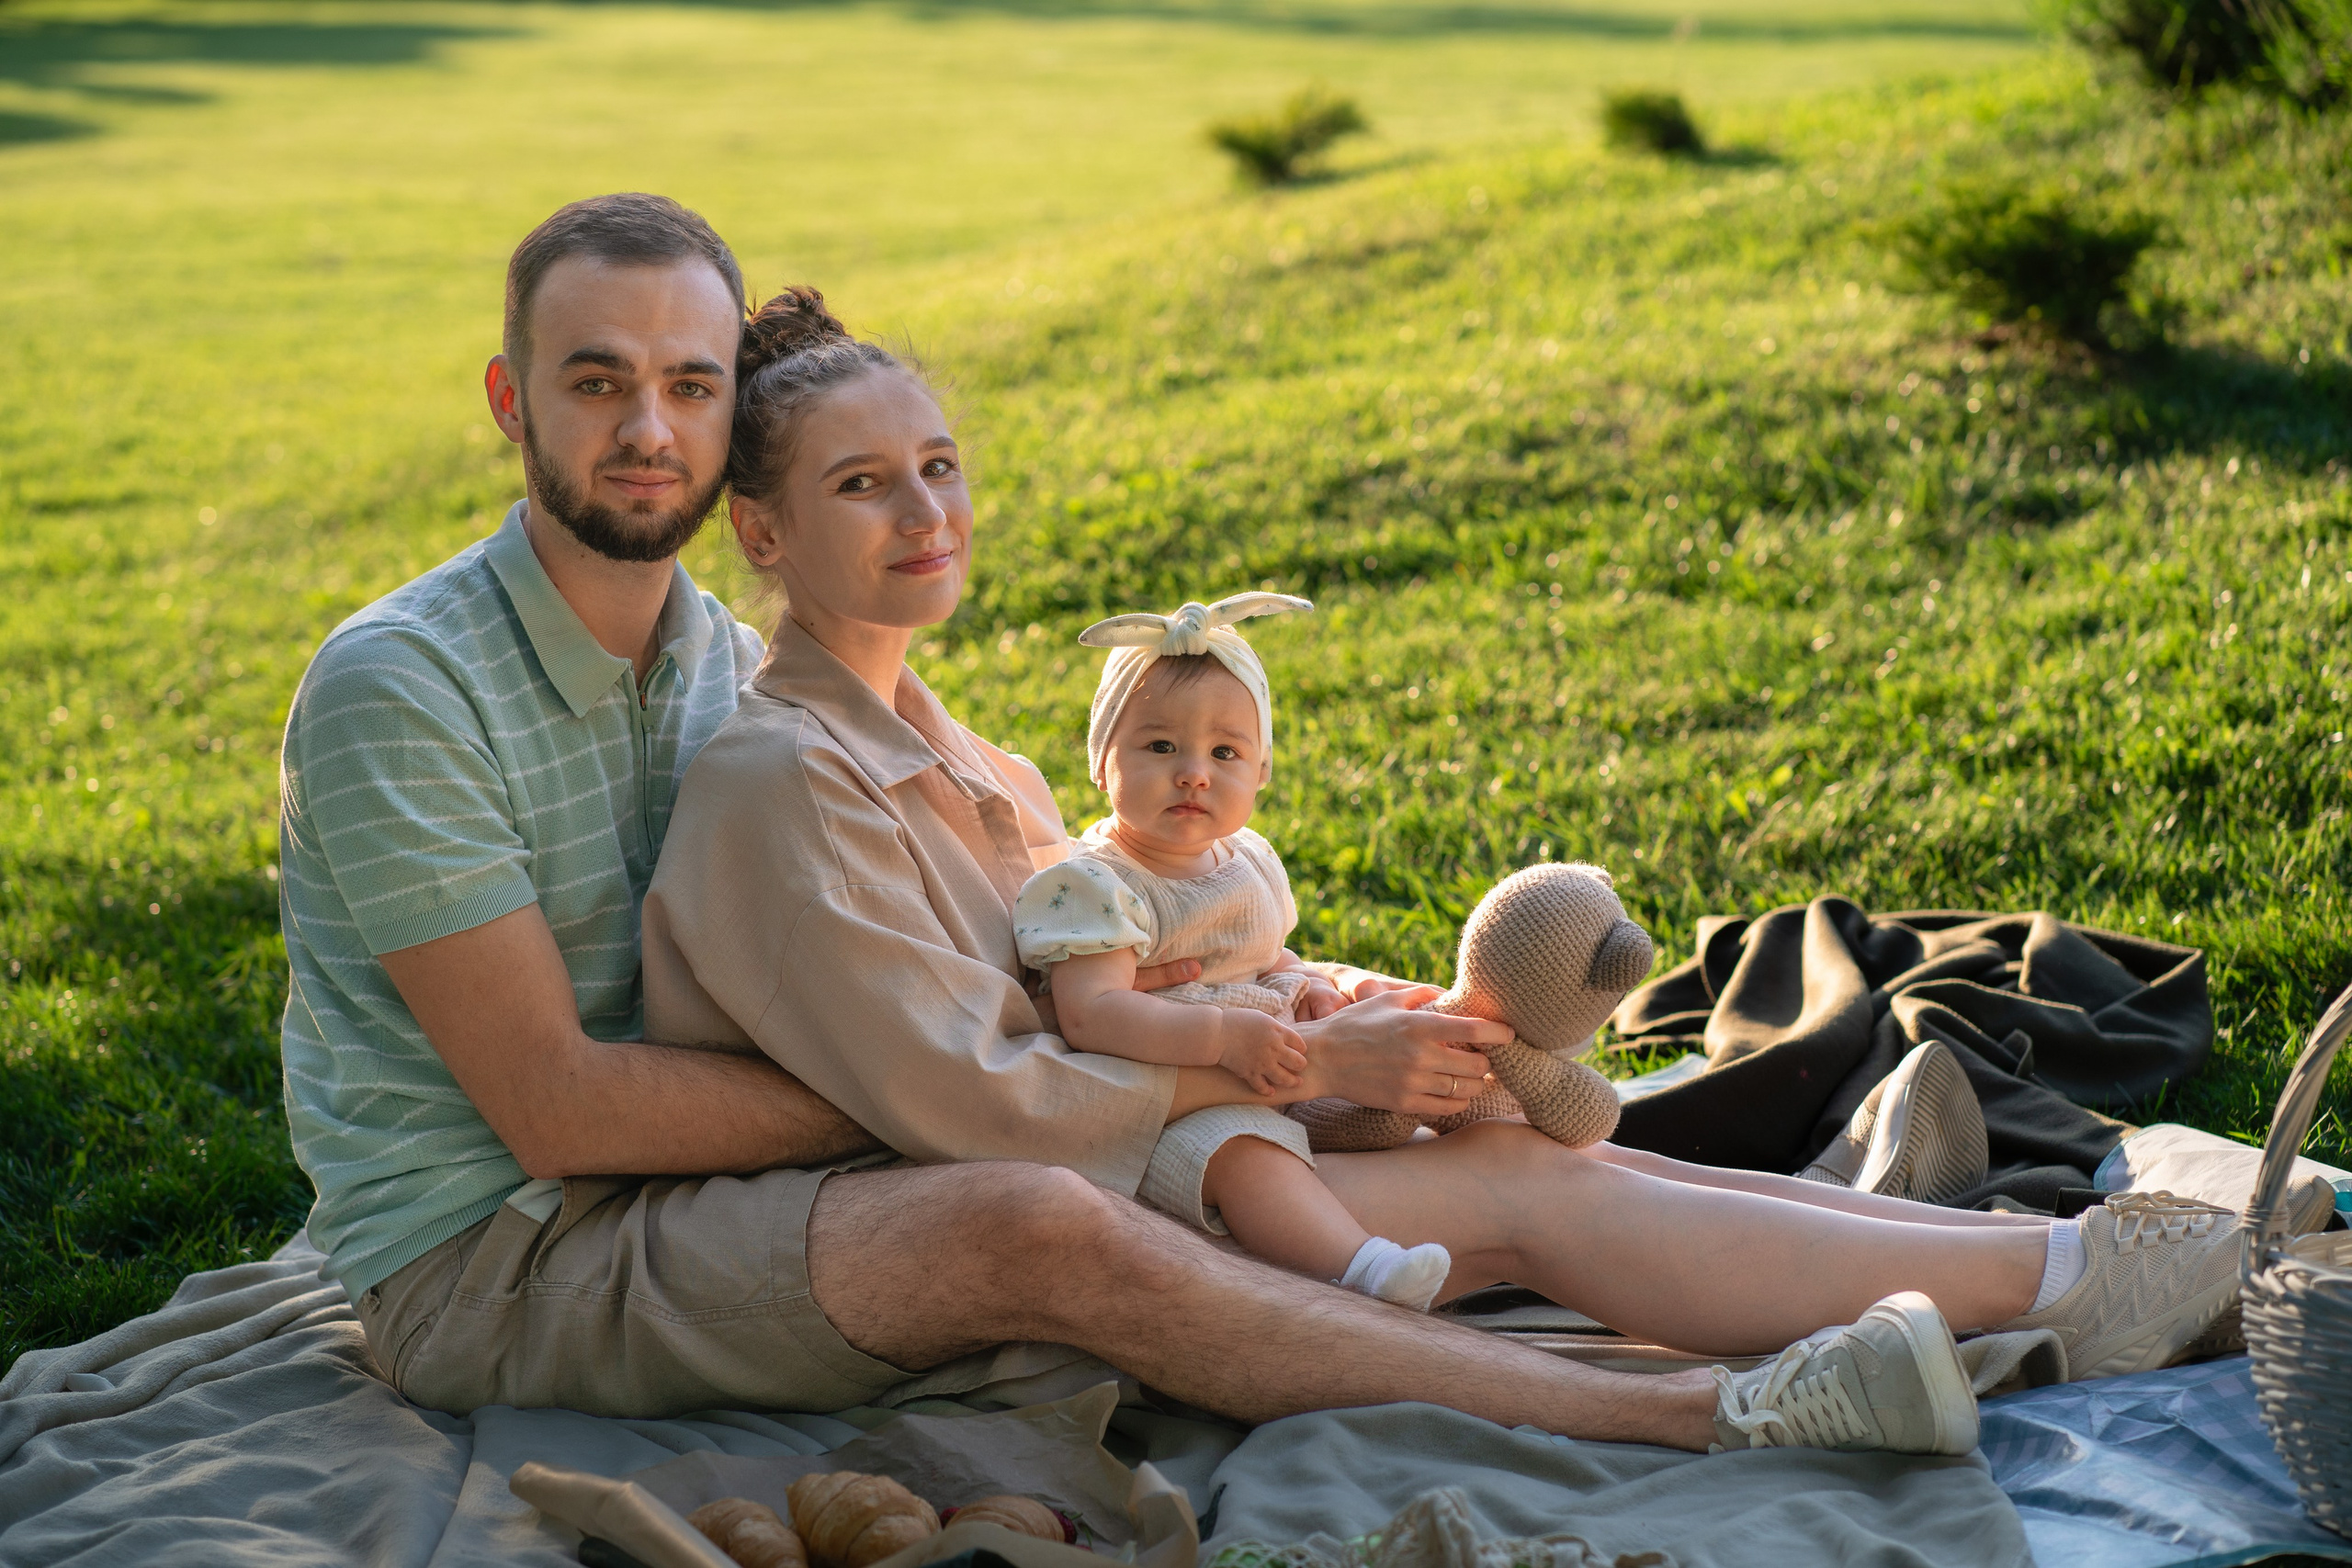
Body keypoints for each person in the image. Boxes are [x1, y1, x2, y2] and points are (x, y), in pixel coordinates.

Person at [277, 195, 2233, 1468]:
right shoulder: (442, 694)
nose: (645, 426)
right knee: (1040, 1208)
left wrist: (1279, 1013)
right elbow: (589, 1111)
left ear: (717, 452)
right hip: (520, 1242)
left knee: (1489, 1140)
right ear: (507, 399)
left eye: (684, 386)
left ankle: (2073, 1260)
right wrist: (1243, 1057)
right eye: (594, 381)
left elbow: (1024, 958)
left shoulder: (721, 660)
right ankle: (1715, 1413)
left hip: (896, 1133)